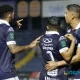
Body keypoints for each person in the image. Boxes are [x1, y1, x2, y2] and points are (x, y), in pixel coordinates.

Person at [0, 4, 40, 80]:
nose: (14, 15)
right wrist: (29, 46)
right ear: (9, 14)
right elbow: (13, 49)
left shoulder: (6, 28)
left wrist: (13, 25)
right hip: (7, 73)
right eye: (13, 13)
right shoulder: (8, 29)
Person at [45, 4, 80, 80]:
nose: (64, 15)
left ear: (72, 15)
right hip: (70, 73)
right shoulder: (69, 30)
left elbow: (78, 57)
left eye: (66, 13)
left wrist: (57, 64)